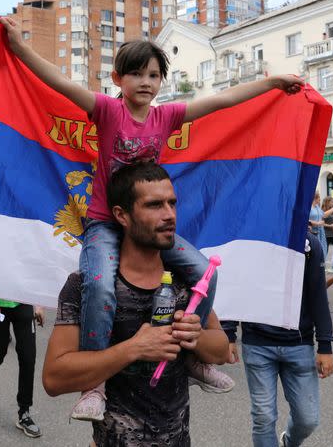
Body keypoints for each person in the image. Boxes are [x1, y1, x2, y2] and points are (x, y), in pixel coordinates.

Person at [1, 16, 291, 420]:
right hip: (105, 222)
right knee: (100, 289)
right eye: (135, 73)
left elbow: (222, 101)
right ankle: (94, 386)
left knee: (205, 271)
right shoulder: (106, 110)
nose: (145, 82)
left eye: (153, 75)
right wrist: (19, 49)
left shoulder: (165, 117)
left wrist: (271, 85)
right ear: (118, 78)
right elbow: (60, 83)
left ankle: (191, 358)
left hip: (145, 227)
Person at [43, 162, 229, 445]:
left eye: (172, 203)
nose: (169, 215)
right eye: (154, 205)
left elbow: (220, 350)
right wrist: (133, 349)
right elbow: (54, 378)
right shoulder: (88, 285)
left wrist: (196, 337)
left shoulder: (184, 280)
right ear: (122, 215)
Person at [223, 233, 333, 447]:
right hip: (257, 344)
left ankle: (289, 441)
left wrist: (325, 345)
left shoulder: (308, 244)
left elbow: (318, 295)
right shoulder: (249, 239)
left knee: (308, 420)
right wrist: (228, 333)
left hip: (299, 343)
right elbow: (236, 285)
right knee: (263, 417)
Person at [0, 296, 45, 438]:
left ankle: (24, 412)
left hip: (23, 303)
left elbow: (34, 274)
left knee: (28, 357)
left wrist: (39, 303)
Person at [308, 191, 331, 263]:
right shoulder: (309, 207)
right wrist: (317, 223)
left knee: (323, 248)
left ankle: (321, 265)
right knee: (315, 249)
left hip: (321, 232)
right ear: (315, 198)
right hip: (313, 232)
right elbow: (306, 219)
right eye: (319, 198)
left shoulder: (317, 207)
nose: (320, 200)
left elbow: (323, 215)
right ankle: (316, 264)